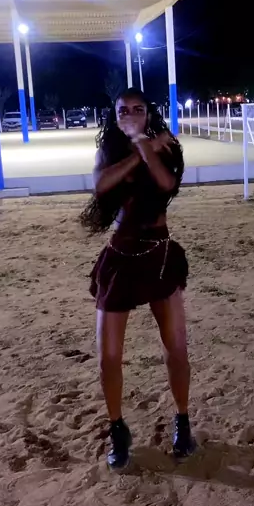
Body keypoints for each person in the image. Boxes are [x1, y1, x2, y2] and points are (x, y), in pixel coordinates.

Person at [81, 89, 195, 469]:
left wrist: (145, 143)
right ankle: (118, 429)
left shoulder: (167, 147)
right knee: (109, 356)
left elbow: (165, 184)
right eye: (123, 110)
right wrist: (137, 148)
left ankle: (183, 421)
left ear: (149, 113)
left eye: (138, 109)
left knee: (176, 346)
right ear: (113, 116)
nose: (130, 115)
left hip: (159, 255)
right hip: (120, 256)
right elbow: (102, 185)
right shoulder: (109, 152)